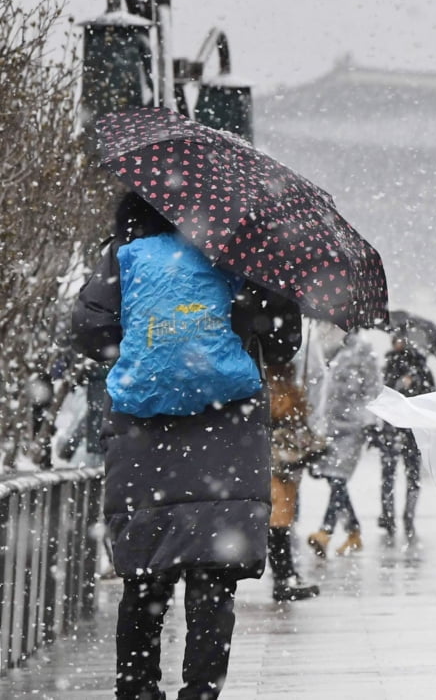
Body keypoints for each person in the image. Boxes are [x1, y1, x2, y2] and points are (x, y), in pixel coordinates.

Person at [71, 191, 302, 700]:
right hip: (227, 436)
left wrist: (142, 339)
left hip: (143, 438)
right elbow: (285, 339)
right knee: (213, 581)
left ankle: (136, 688)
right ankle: (200, 690)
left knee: (144, 579)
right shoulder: (243, 253)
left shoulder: (125, 252)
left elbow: (89, 332)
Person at [307, 329, 382, 557]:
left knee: (338, 476)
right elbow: (315, 386)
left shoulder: (362, 350)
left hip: (353, 426)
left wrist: (371, 422)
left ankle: (325, 531)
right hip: (326, 425)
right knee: (332, 478)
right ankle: (354, 532)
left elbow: (373, 387)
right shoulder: (318, 345)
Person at [264, 360, 324, 601]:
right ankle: (283, 579)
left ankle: (286, 575)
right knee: (278, 521)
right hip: (278, 463)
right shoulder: (276, 387)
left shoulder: (280, 385)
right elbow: (283, 414)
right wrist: (297, 404)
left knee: (281, 520)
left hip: (282, 463)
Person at [369, 329, 435, 542]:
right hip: (391, 429)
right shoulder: (389, 364)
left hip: (412, 430)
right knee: (388, 476)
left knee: (411, 477)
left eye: (400, 339)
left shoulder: (421, 367)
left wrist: (414, 385)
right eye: (395, 339)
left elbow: (430, 398)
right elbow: (381, 396)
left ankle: (408, 517)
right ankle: (388, 516)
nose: (397, 343)